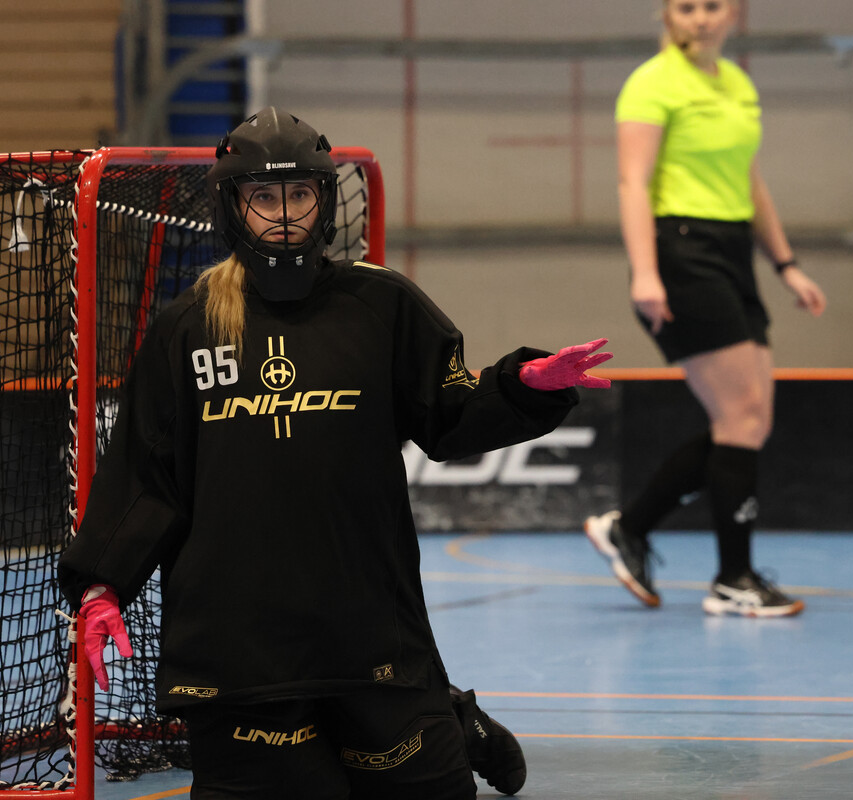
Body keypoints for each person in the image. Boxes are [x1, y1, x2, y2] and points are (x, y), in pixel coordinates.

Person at [59, 107, 612, 799]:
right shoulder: (187, 329)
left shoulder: (382, 305)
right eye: (264, 197)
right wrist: (102, 583)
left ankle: (449, 715)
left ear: (323, 202)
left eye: (299, 194)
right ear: (232, 206)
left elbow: (450, 413)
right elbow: (145, 473)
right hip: (238, 645)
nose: (284, 214)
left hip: (368, 629)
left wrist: (523, 386)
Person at [585, 0, 826, 618]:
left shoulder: (738, 85)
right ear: (668, 15)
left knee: (748, 420)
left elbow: (750, 181)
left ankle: (629, 528)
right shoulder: (652, 83)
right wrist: (645, 271)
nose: (700, 18)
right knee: (742, 417)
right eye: (686, 7)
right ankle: (732, 579)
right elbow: (632, 183)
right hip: (680, 250)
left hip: (733, 249)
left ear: (733, 14)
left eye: (712, 6)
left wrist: (786, 264)